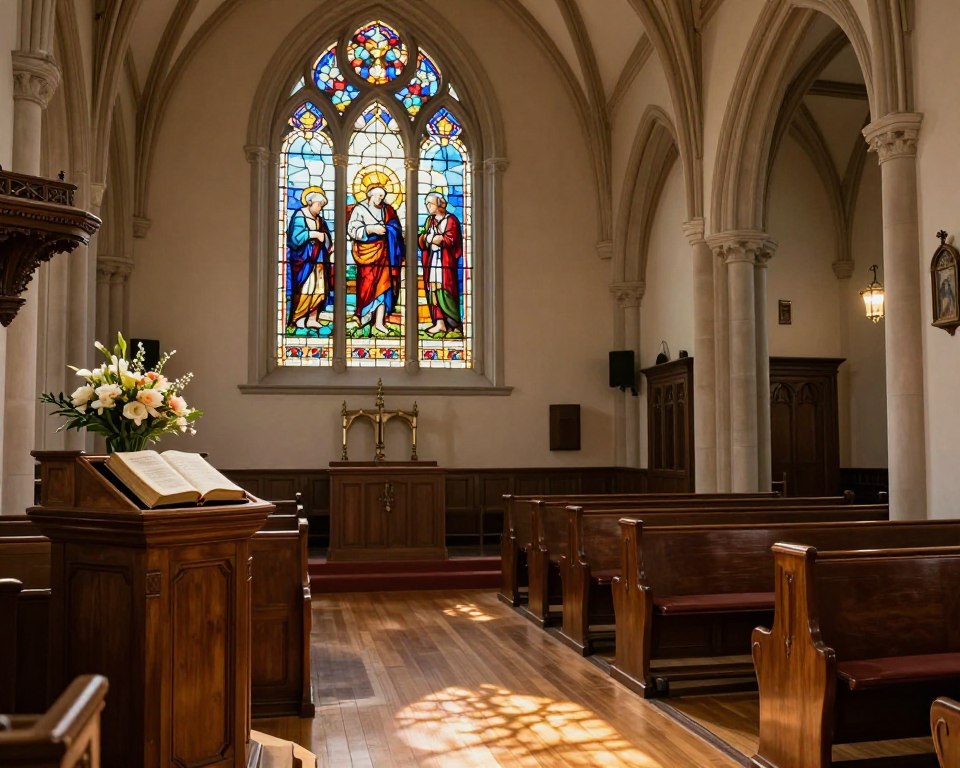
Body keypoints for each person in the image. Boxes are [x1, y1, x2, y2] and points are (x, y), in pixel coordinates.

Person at [347, 185, 404, 334]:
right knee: (366, 286)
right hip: (366, 254)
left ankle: (379, 322)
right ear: (370, 195)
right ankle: (364, 317)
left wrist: (388, 229)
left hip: (385, 253)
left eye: (382, 196)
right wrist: (370, 229)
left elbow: (395, 228)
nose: (381, 199)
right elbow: (352, 229)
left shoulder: (388, 209)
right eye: (378, 196)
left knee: (384, 287)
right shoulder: (359, 209)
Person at [285, 188, 332, 331]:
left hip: (319, 259)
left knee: (320, 289)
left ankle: (312, 318)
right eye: (319, 205)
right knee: (306, 288)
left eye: (322, 206)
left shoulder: (319, 219)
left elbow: (326, 237)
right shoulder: (299, 215)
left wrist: (326, 240)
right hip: (304, 259)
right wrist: (313, 234)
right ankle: (299, 317)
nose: (320, 208)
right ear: (310, 202)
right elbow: (294, 238)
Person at [418, 191, 463, 335]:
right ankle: (439, 323)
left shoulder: (451, 220)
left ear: (439, 204)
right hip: (433, 261)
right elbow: (423, 239)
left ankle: (452, 320)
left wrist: (439, 239)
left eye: (429, 204)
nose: (427, 206)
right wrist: (427, 238)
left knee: (445, 289)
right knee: (433, 290)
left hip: (445, 262)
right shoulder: (429, 221)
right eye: (426, 204)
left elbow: (451, 239)